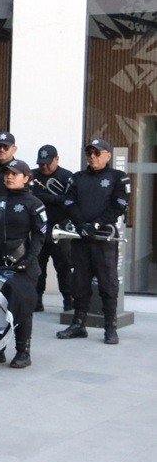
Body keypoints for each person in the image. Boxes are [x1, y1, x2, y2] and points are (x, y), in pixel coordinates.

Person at [0, 160, 46, 368]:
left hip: (23, 266)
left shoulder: (34, 204)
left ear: (26, 178)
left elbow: (40, 236)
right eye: (7, 173)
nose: (10, 176)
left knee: (21, 309)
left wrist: (29, 259)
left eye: (15, 173)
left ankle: (23, 352)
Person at [57, 138, 130, 344]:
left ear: (108, 155)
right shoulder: (77, 177)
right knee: (79, 282)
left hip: (103, 238)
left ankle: (110, 328)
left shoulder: (118, 177)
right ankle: (79, 325)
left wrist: (96, 224)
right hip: (81, 238)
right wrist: (81, 224)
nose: (93, 157)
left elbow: (120, 205)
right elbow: (68, 202)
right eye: (89, 153)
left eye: (97, 153)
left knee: (108, 283)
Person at [31, 145, 74, 312]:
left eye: (48, 163)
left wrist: (45, 198)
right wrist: (55, 199)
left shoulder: (67, 176)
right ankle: (36, 300)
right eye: (41, 164)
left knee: (64, 267)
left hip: (60, 228)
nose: (44, 167)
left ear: (57, 159)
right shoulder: (32, 175)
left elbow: (70, 201)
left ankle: (68, 302)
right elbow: (28, 197)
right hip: (38, 228)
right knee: (37, 266)